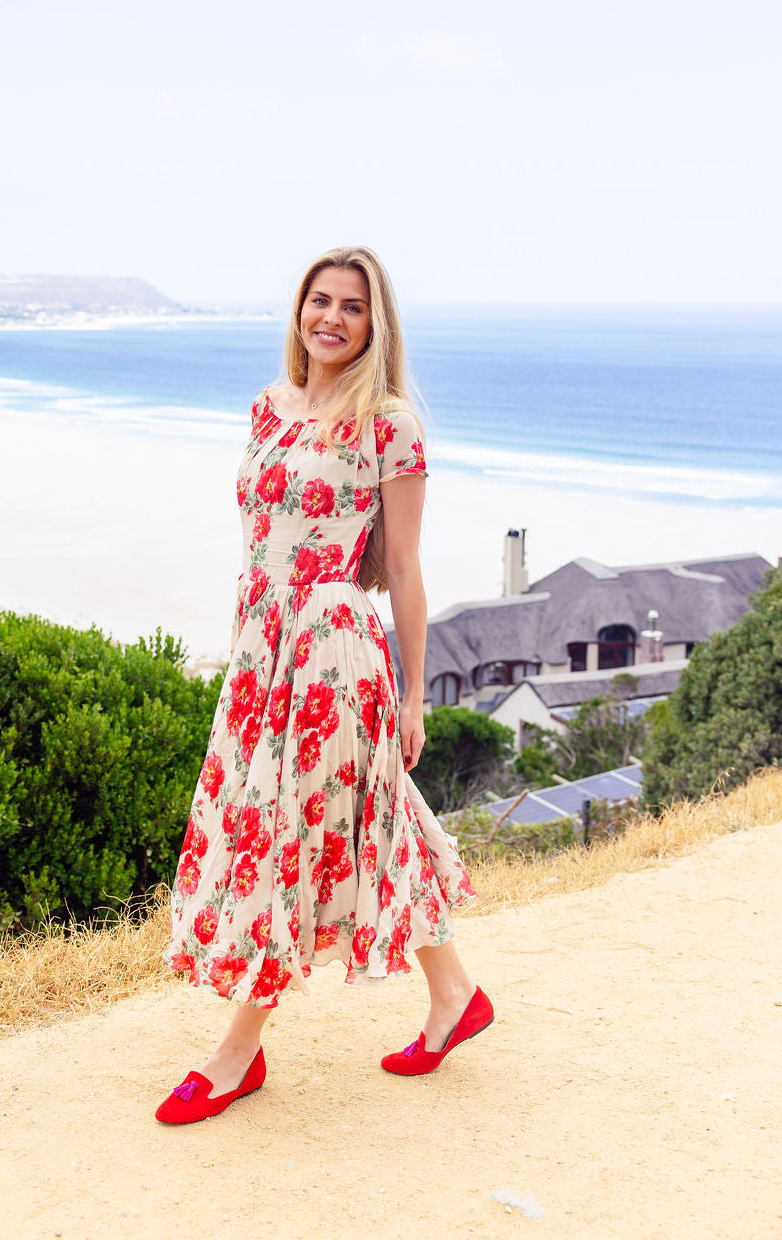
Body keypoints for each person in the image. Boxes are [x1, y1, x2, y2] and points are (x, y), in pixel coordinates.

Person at [156, 246, 492, 1125]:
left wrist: (415, 693)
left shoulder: (390, 425)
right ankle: (455, 994)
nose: (333, 318)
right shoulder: (268, 406)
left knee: (282, 833)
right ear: (299, 309)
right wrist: (245, 652)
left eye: (353, 306)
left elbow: (408, 572)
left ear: (376, 324)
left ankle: (237, 1051)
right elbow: (259, 542)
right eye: (320, 300)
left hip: (333, 651)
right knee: (375, 815)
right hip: (261, 649)